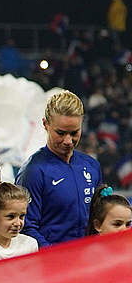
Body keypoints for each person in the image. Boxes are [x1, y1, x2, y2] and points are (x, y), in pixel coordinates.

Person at [16, 91, 101, 247]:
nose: (68, 141)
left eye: (74, 133)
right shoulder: (33, 171)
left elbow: (99, 219)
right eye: (60, 133)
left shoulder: (92, 166)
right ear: (46, 124)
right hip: (52, 265)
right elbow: (25, 227)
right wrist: (56, 258)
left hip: (88, 261)